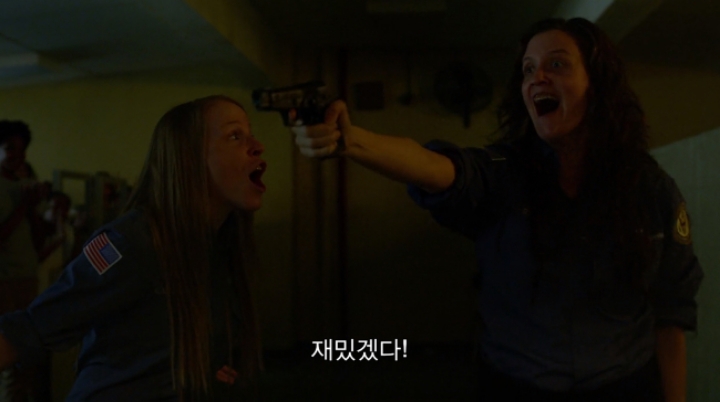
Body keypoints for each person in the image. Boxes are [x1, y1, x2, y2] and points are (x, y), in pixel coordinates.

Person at [291, 18, 702, 402]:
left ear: (598, 83)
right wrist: (352, 141)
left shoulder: (650, 188)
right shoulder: (506, 171)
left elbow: (670, 314)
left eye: (557, 64)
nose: (537, 78)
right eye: (528, 69)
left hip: (625, 387)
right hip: (514, 385)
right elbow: (440, 168)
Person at [0, 95, 268, 401]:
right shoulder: (132, 241)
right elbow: (33, 327)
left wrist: (210, 370)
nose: (257, 146)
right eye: (235, 136)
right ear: (188, 157)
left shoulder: (219, 245)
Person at [0, 120, 51, 402]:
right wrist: (23, 206)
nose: (16, 155)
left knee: (24, 358)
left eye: (21, 150)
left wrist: (32, 208)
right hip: (4, 280)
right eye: (9, 148)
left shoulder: (25, 187)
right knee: (8, 355)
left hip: (26, 279)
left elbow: (38, 242)